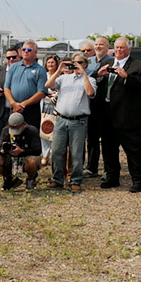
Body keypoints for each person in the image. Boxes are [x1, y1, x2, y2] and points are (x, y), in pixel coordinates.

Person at [95, 37, 141, 192]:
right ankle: (112, 177)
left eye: (122, 48)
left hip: (127, 117)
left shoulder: (139, 65)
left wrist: (127, 77)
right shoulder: (108, 64)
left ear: (128, 49)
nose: (119, 50)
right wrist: (98, 75)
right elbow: (98, 85)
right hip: (107, 115)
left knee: (133, 151)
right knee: (108, 149)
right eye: (117, 48)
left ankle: (138, 181)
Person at [45, 52, 96, 193]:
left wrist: (83, 73)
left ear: (85, 64)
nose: (76, 65)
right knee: (56, 151)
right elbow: (48, 84)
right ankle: (58, 179)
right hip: (61, 119)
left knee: (77, 153)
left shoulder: (90, 79)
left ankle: (75, 180)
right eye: (74, 62)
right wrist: (59, 70)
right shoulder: (64, 78)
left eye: (80, 62)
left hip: (78, 121)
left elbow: (90, 93)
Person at [0, 112, 42, 190]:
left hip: (26, 157)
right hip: (10, 157)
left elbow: (37, 150)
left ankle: (31, 179)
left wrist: (22, 151)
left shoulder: (32, 130)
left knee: (31, 162)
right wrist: (3, 150)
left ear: (24, 125)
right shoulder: (6, 130)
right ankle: (10, 179)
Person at [3, 40, 47, 130]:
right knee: (13, 137)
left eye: (29, 50)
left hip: (31, 110)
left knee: (31, 137)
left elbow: (42, 92)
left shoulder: (40, 70)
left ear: (35, 53)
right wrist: (13, 104)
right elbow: (6, 88)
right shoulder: (14, 67)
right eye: (24, 49)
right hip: (14, 108)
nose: (26, 51)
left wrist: (23, 104)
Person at [85, 36, 112, 177]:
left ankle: (108, 169)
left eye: (101, 44)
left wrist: (94, 76)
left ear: (107, 47)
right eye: (96, 44)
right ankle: (92, 167)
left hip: (106, 106)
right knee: (92, 138)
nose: (98, 47)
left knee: (107, 140)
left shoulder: (111, 62)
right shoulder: (88, 62)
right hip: (91, 106)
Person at [40, 55, 60, 166]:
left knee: (56, 130)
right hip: (45, 105)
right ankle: (45, 154)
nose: (50, 65)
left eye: (52, 63)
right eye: (48, 63)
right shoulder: (43, 75)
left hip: (56, 106)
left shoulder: (59, 76)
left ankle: (55, 154)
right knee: (45, 129)